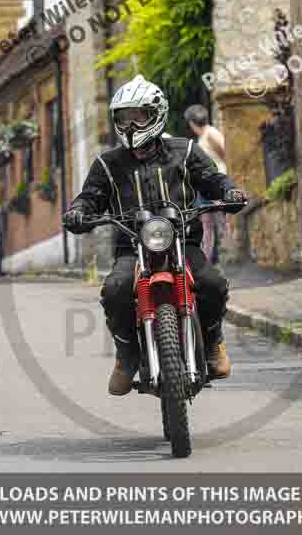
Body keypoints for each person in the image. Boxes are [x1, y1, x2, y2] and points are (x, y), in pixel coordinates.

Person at [63, 75, 247, 396]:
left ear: (157, 113)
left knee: (213, 284)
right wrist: (79, 211)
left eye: (138, 116)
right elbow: (90, 196)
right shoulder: (108, 164)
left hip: (182, 242)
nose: (131, 125)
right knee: (116, 290)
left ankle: (214, 342)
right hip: (132, 249)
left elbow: (213, 179)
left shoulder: (186, 151)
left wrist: (229, 191)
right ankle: (126, 356)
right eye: (124, 118)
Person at [184, 104, 228, 265]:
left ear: (192, 123)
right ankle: (206, 260)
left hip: (215, 185)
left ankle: (226, 256)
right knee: (207, 224)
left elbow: (225, 153)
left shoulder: (211, 134)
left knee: (219, 222)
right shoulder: (203, 136)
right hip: (205, 187)